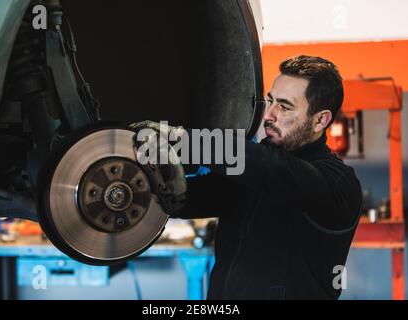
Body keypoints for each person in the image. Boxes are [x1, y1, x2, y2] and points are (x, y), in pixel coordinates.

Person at [131, 55, 363, 300]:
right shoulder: (254, 171)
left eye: (284, 106)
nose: (269, 115)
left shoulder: (337, 184)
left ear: (320, 120)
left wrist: (183, 140)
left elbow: (269, 167)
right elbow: (186, 195)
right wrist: (141, 189)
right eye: (271, 101)